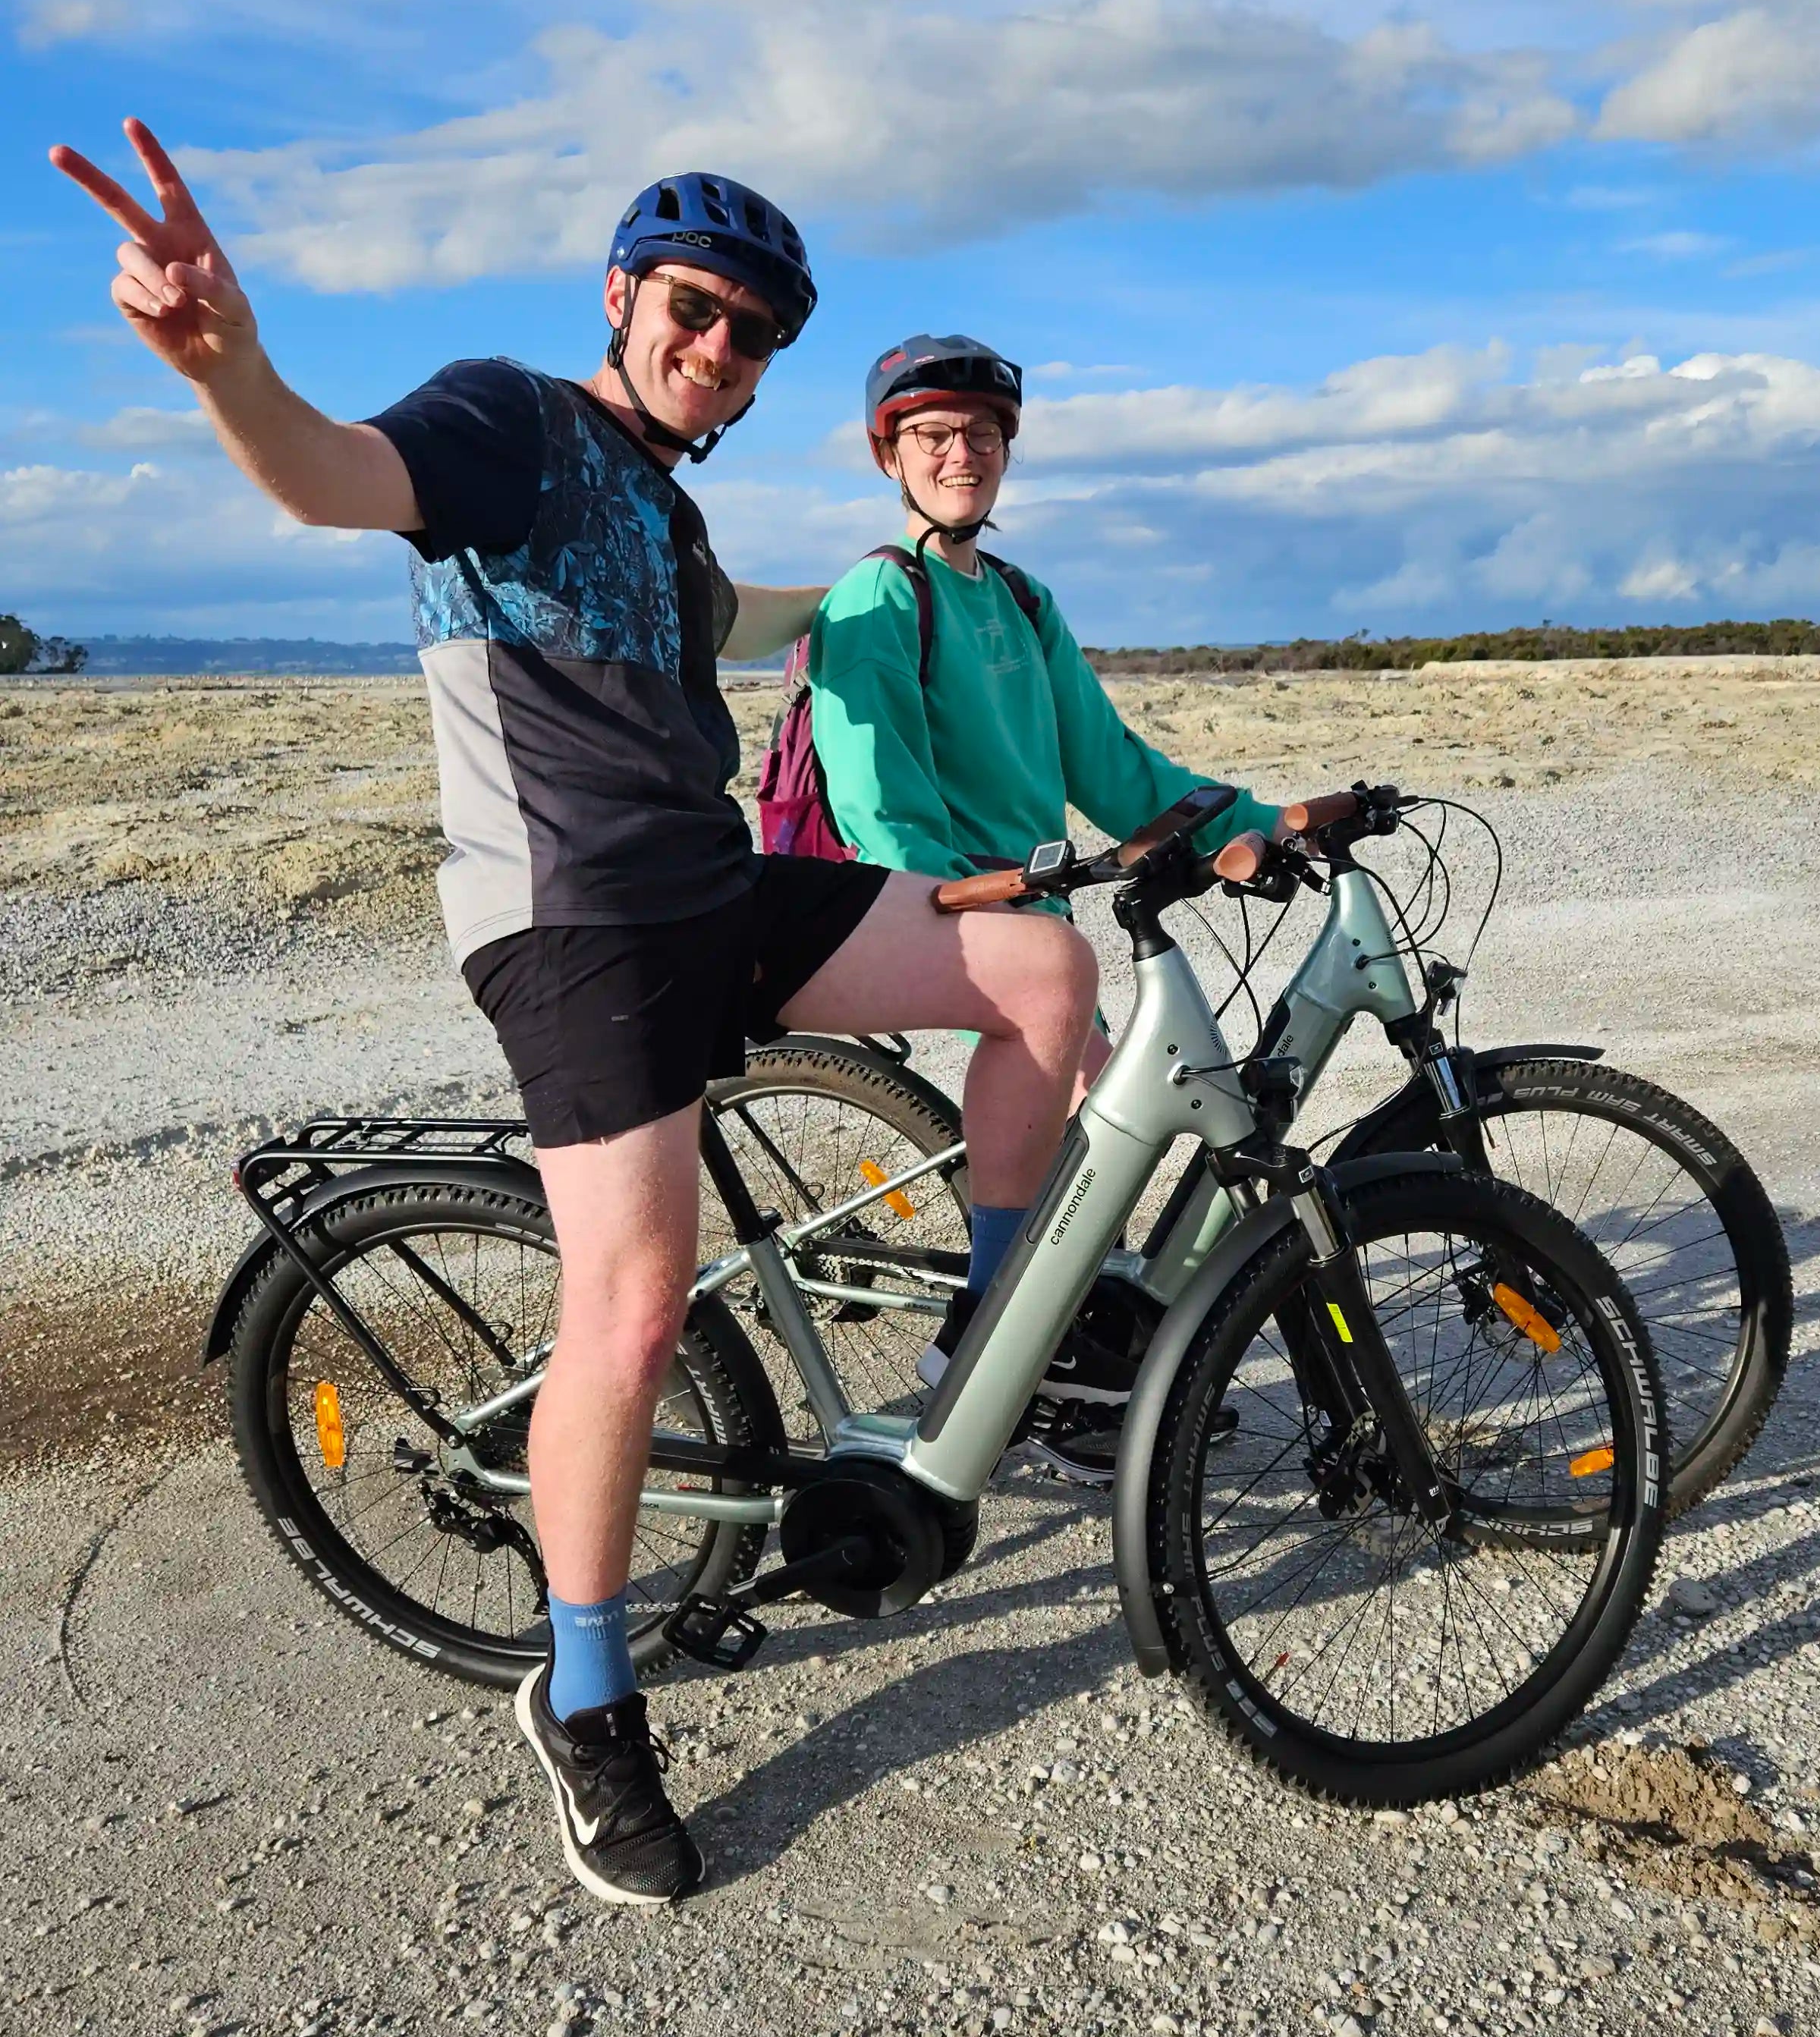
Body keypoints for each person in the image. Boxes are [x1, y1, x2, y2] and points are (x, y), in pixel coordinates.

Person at [52, 124, 1099, 1913]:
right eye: (697, 309)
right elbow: (327, 474)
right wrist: (231, 367)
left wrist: (868, 591)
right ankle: (591, 1690)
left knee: (1045, 971)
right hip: (574, 920)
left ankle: (988, 1340)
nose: (722, 348)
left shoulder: (663, 503)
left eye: (756, 335)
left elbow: (744, 614)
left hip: (707, 888)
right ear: (625, 297)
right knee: (629, 1303)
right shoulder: (507, 422)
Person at [803, 334, 1281, 1457]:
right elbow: (884, 812)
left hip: (1041, 917)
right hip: (943, 916)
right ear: (890, 455)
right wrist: (983, 913)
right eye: (931, 435)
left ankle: (1060, 1369)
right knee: (1094, 1125)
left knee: (1115, 1135)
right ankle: (986, 1344)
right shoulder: (883, 594)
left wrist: (1259, 824)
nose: (959, 452)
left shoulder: (1019, 598)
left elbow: (1116, 774)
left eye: (979, 434)